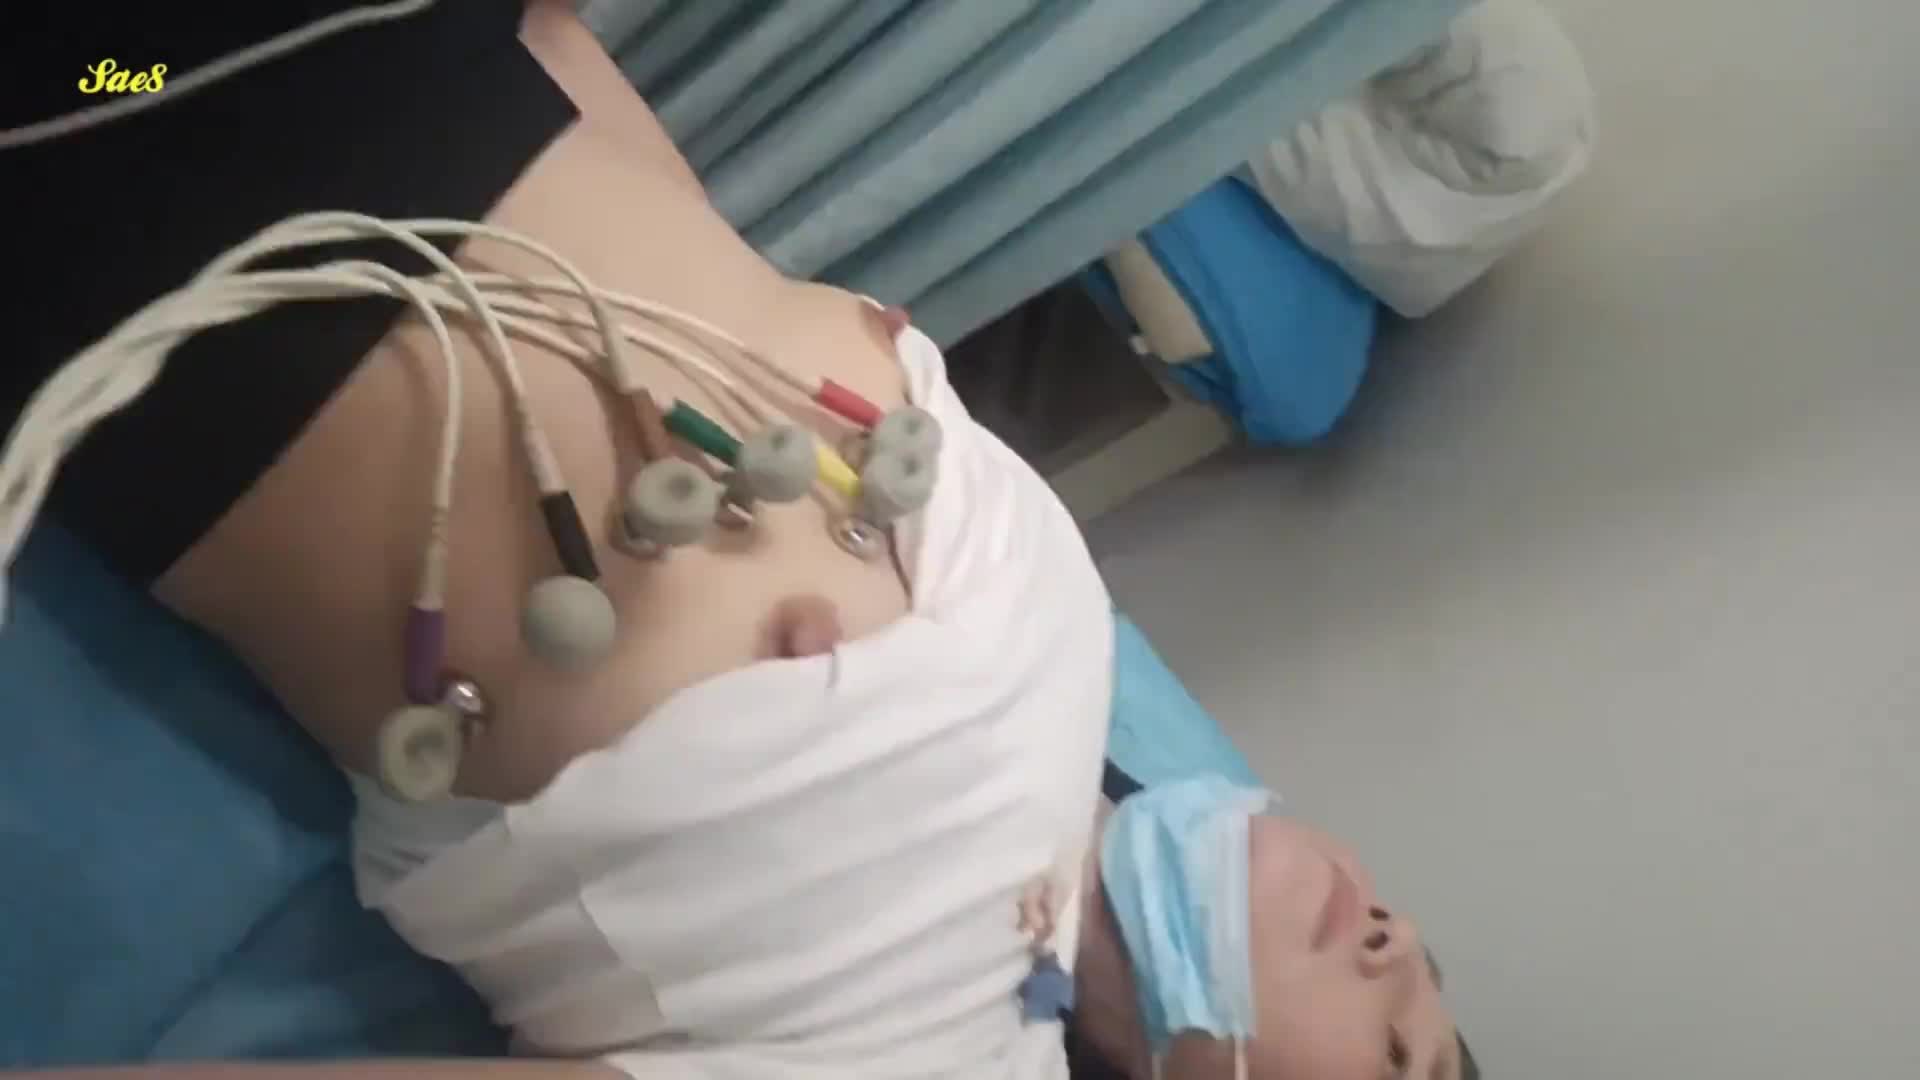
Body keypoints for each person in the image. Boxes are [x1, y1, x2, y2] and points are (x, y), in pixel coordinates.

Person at [0, 2, 1463, 1077]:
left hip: (150, 194)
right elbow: (724, 270)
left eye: (1396, 1060)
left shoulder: (909, 1054)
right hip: (417, 64)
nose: (1393, 948)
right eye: (1428, 966)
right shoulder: (1074, 679)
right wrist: (543, 42)